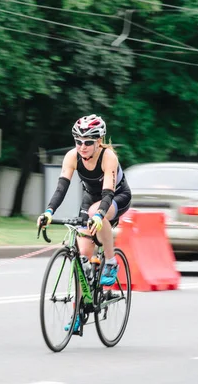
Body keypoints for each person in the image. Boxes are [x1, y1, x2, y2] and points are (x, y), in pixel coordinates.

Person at [37, 114, 132, 287]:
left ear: (99, 140)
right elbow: (61, 188)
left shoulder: (108, 156)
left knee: (96, 213)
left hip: (117, 196)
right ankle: (78, 311)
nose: (82, 146)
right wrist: (49, 211)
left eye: (88, 142)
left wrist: (99, 215)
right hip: (91, 198)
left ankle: (110, 262)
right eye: (78, 141)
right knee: (82, 259)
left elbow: (108, 192)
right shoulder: (72, 156)